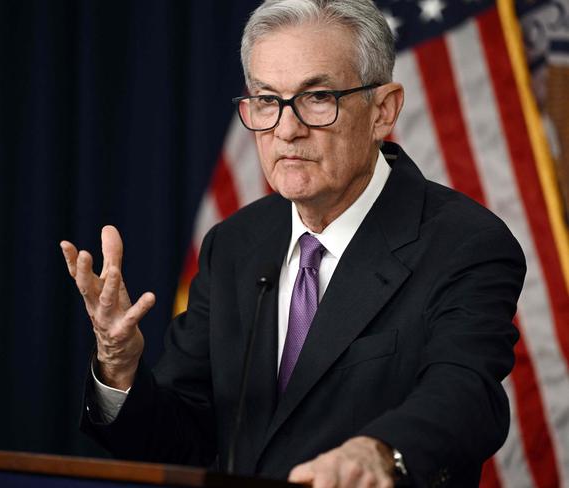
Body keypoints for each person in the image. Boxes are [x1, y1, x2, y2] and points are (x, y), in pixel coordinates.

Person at [60, 1, 526, 486]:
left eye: (318, 96)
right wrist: (118, 367)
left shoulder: (464, 243)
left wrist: (381, 453)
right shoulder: (234, 245)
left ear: (382, 111)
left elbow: (466, 392)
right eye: (266, 100)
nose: (286, 129)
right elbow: (181, 439)